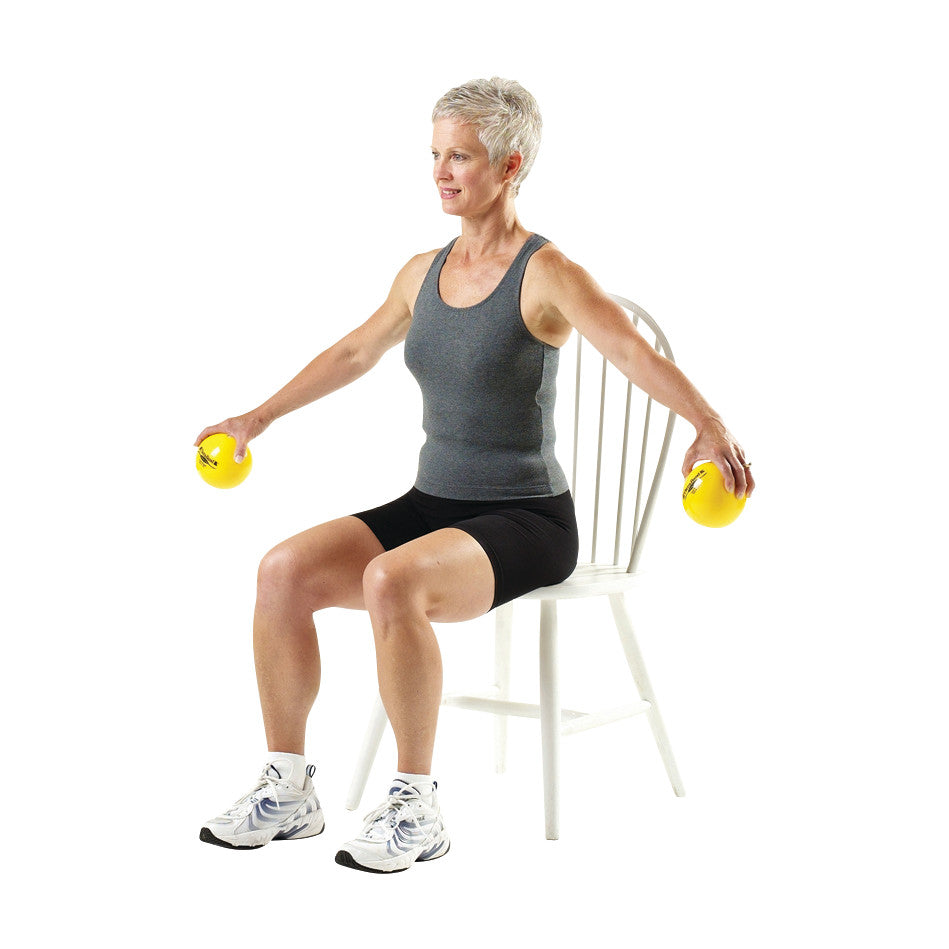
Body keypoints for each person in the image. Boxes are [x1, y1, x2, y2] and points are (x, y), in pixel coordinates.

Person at [195, 77, 755, 873]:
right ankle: (288, 790)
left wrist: (708, 425)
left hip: (528, 521)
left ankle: (416, 804)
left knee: (393, 579)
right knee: (282, 569)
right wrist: (257, 417)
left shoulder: (547, 271)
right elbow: (355, 351)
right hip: (434, 503)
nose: (440, 171)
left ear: (509, 163)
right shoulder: (421, 270)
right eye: (434, 154)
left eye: (459, 155)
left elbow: (631, 351)